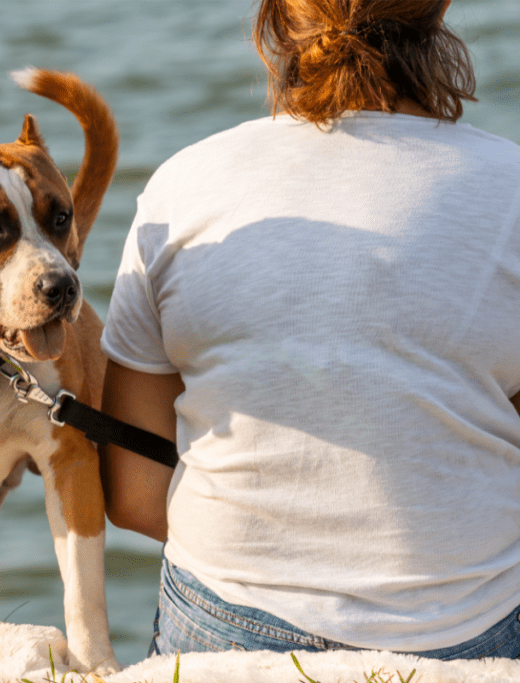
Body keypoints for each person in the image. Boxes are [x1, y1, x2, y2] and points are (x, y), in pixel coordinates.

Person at [100, 0, 520, 661]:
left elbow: (133, 493)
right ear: (436, 13)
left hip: (227, 629)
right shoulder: (511, 187)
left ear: (276, 21)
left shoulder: (182, 185)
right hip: (460, 631)